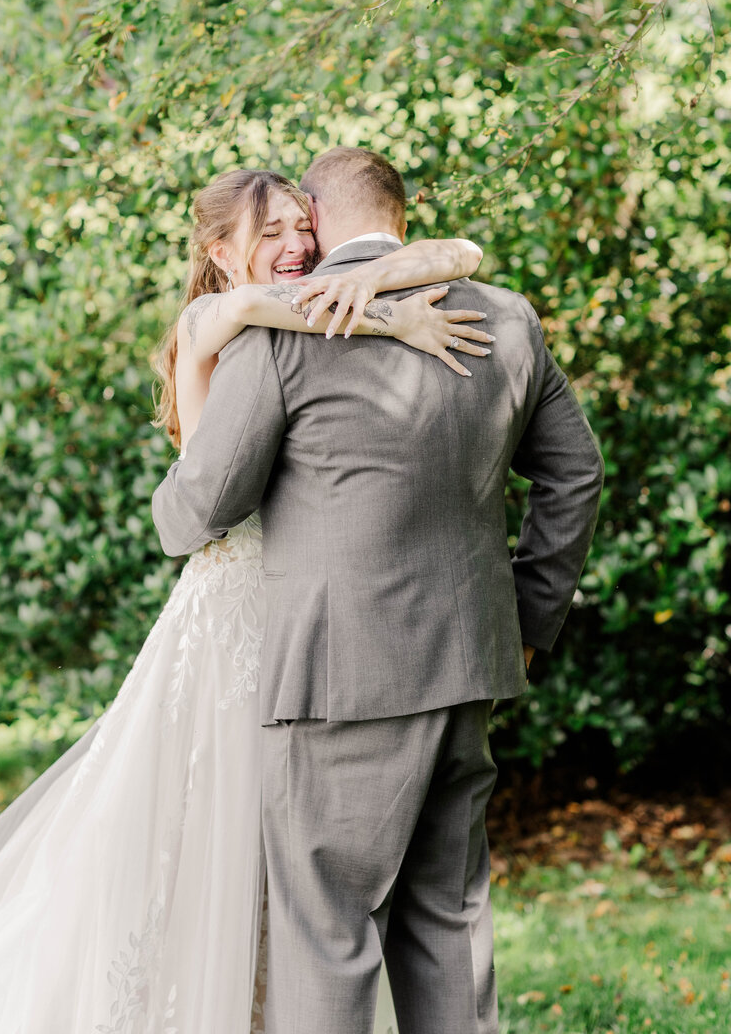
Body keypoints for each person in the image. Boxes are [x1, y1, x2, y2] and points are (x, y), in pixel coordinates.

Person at [0, 167, 491, 1033]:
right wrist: (396, 312)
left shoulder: (305, 301)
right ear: (220, 252)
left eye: (302, 227)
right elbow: (201, 505)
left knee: (294, 867)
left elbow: (464, 250)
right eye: (270, 233)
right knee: (218, 845)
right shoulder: (219, 317)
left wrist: (371, 277)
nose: (296, 246)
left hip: (306, 619)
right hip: (237, 612)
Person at [152, 146, 605, 1034]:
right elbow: (575, 475)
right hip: (471, 658)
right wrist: (528, 620)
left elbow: (197, 510)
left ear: (318, 219)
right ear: (404, 209)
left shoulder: (289, 331)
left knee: (327, 932)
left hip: (339, 679)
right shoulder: (509, 320)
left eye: (298, 224)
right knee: (448, 917)